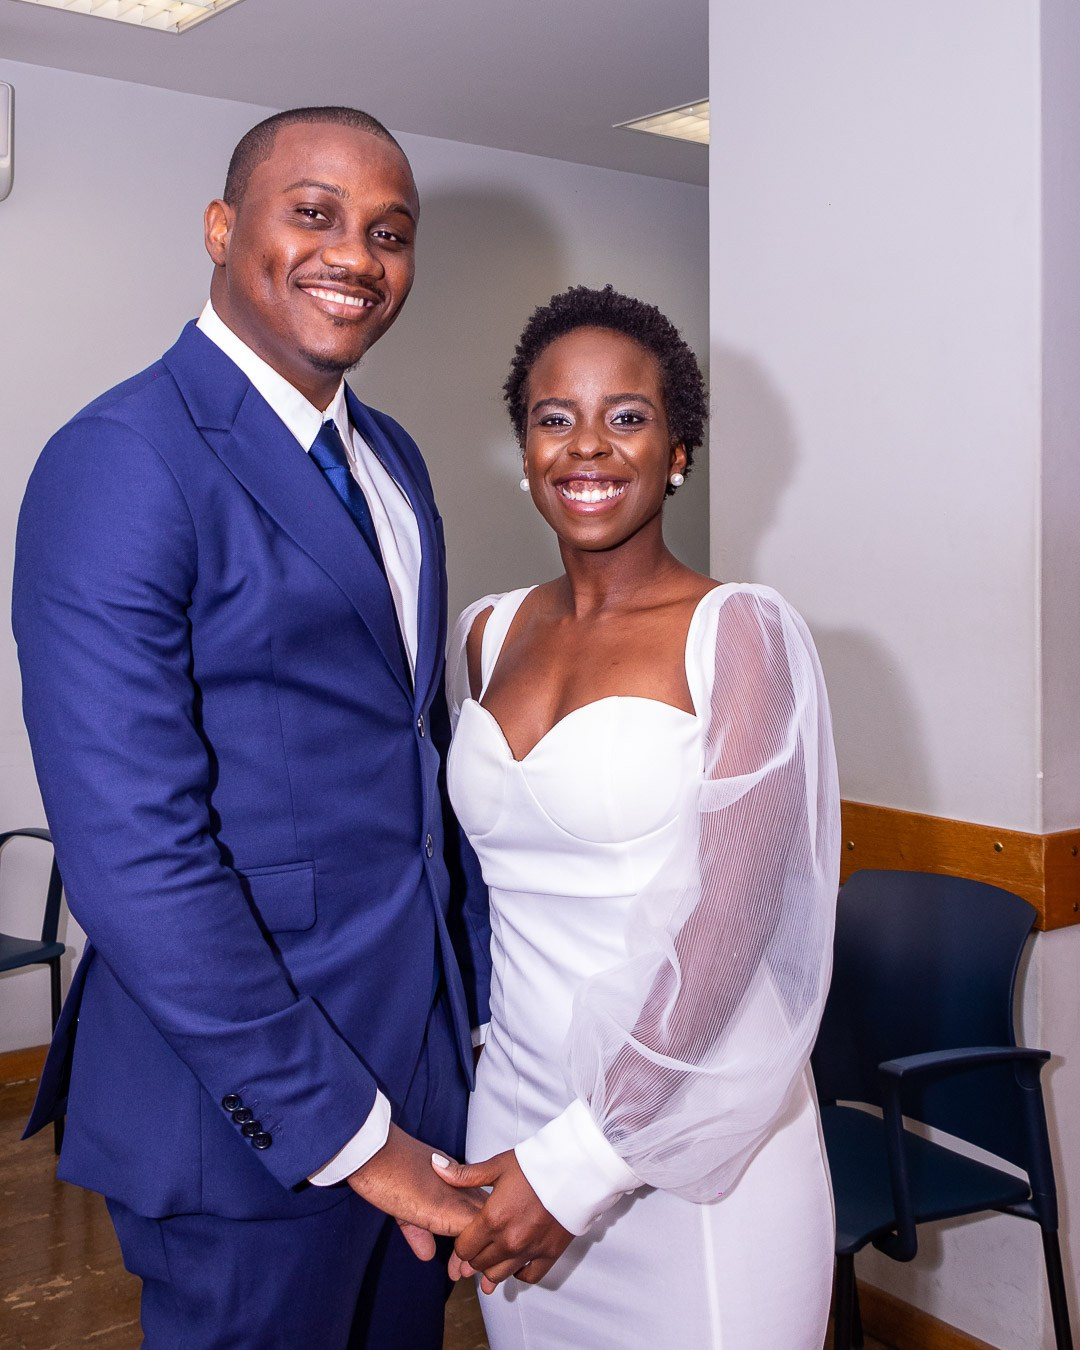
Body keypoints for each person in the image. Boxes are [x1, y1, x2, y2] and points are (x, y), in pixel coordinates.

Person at [12, 107, 491, 1348]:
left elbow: (415, 760)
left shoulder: (391, 460)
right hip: (250, 1111)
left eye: (390, 232)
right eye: (315, 214)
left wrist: (476, 1024)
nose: (356, 256)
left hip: (422, 1066)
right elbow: (137, 859)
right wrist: (353, 1137)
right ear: (222, 229)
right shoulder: (121, 457)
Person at [436, 285, 840, 1347]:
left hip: (693, 1150)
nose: (587, 446)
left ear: (677, 452)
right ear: (524, 450)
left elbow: (734, 922)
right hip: (513, 1119)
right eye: (554, 417)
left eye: (627, 416)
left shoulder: (740, 635)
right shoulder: (483, 635)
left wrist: (581, 1162)